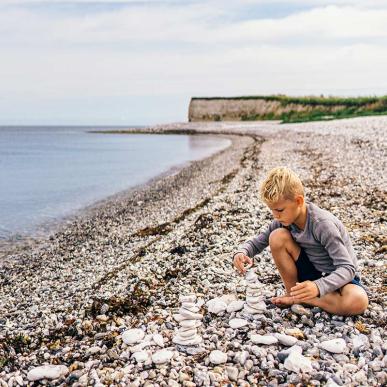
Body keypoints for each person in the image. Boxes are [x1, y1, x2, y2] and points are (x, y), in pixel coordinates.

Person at [233, 166, 369, 316]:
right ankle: (294, 293)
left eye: (279, 210)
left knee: (358, 300)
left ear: (298, 201)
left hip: (340, 280)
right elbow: (258, 242)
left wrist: (318, 287)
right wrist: (243, 252)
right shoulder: (284, 221)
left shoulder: (322, 225)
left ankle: (304, 299)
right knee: (276, 236)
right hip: (311, 274)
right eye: (272, 210)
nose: (275, 216)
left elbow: (347, 268)